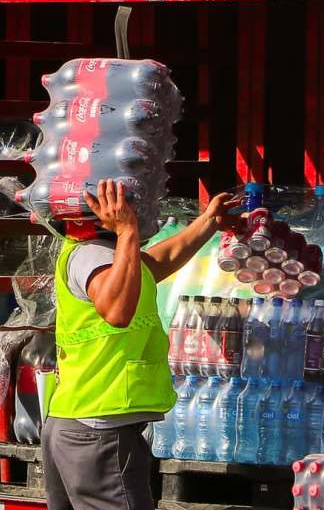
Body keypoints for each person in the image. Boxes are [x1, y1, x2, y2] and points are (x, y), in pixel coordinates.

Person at [42, 180, 239, 510]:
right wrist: (127, 230)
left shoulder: (110, 256)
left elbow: (157, 263)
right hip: (99, 428)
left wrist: (208, 222)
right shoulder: (91, 255)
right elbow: (117, 311)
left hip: (81, 420)